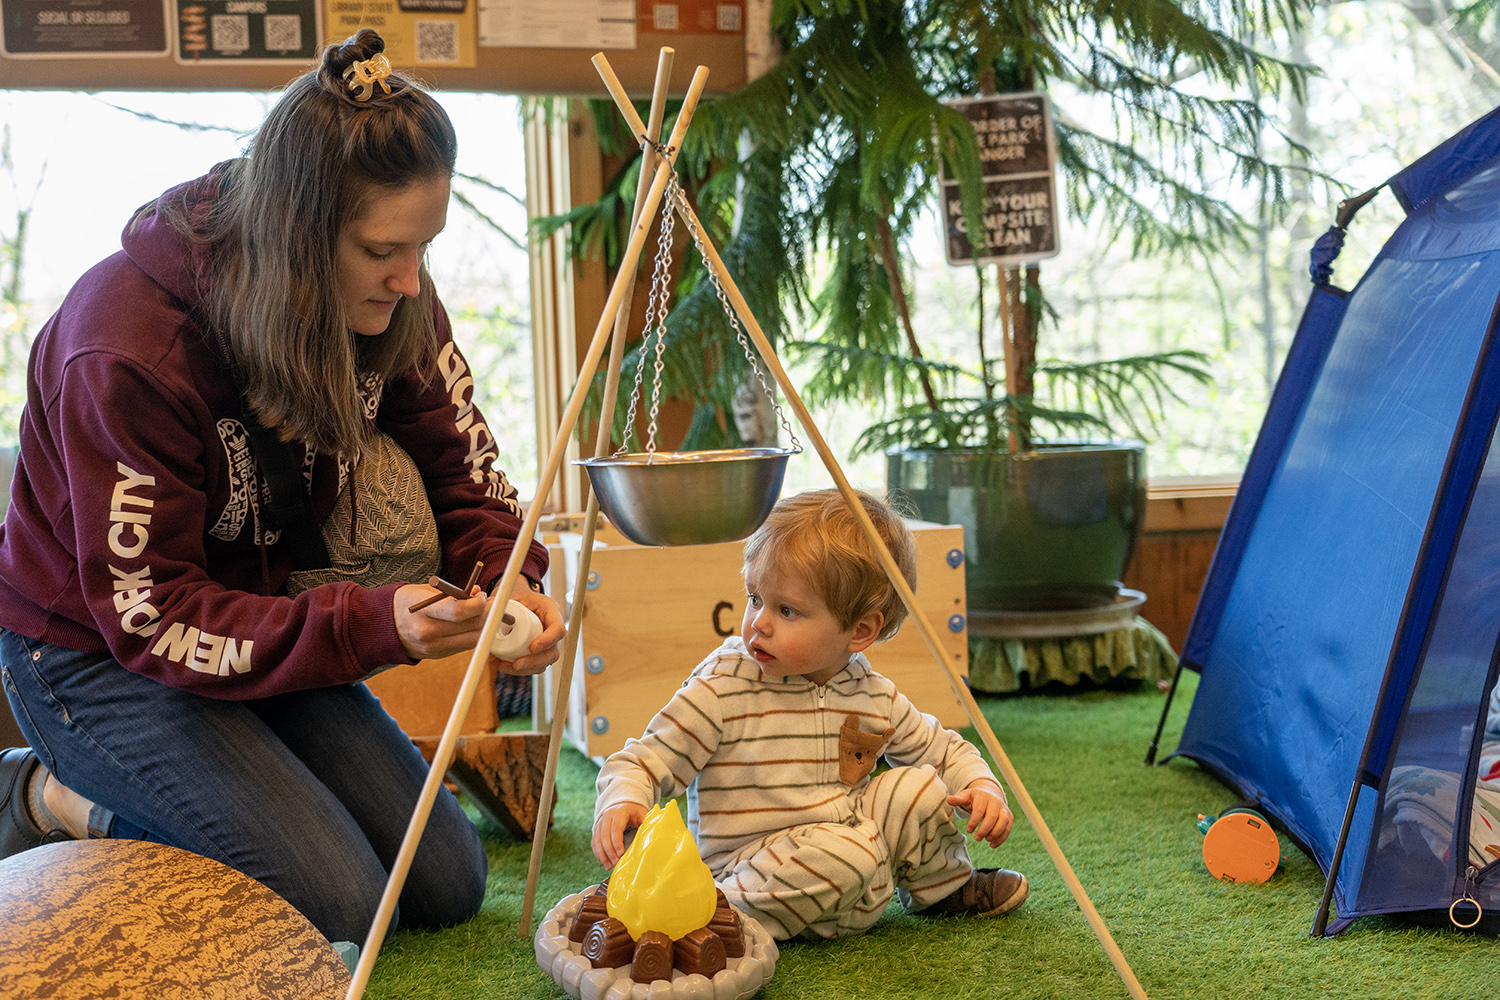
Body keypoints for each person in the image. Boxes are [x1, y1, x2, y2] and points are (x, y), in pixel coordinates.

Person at [0, 29, 564, 945]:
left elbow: (465, 473)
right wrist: (368, 625)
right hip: (101, 653)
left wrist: (510, 577)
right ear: (298, 237)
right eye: (384, 249)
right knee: (336, 901)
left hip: (259, 625)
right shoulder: (126, 350)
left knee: (444, 882)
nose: (411, 279)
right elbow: (153, 615)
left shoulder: (391, 292)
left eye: (425, 246)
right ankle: (46, 795)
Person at [591, 488, 1027, 940]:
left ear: (860, 631)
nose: (759, 622)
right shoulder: (723, 687)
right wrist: (623, 799)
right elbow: (642, 760)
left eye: (786, 610)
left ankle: (947, 891)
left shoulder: (871, 693)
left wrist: (980, 786)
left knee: (920, 788)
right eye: (754, 598)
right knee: (851, 855)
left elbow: (944, 751)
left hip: (853, 857)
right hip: (754, 870)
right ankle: (715, 914)